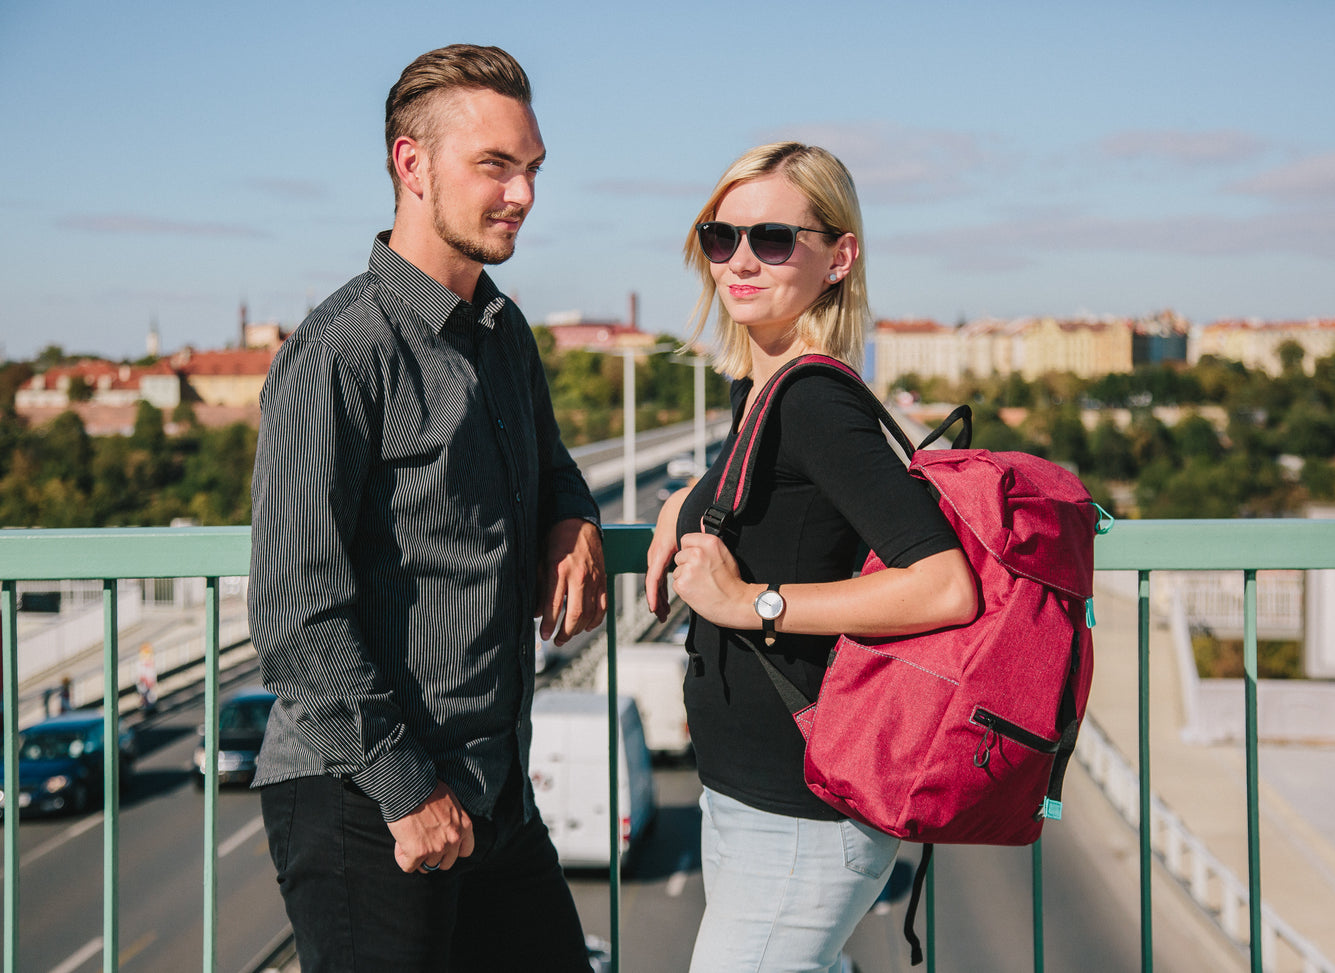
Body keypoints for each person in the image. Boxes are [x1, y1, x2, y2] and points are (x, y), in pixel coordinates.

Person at [248, 44, 605, 973]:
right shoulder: (339, 352)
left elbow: (551, 461)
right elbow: (294, 615)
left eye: (530, 169)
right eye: (495, 166)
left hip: (491, 792)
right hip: (366, 796)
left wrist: (573, 519)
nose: (523, 194)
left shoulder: (503, 330)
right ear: (412, 165)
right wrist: (406, 791)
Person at [644, 143, 979, 973]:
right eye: (721, 237)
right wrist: (675, 505)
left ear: (839, 256)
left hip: (803, 807)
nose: (741, 260)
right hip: (739, 788)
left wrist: (751, 600)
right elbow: (784, 505)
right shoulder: (760, 391)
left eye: (773, 238)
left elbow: (943, 585)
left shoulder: (816, 402)